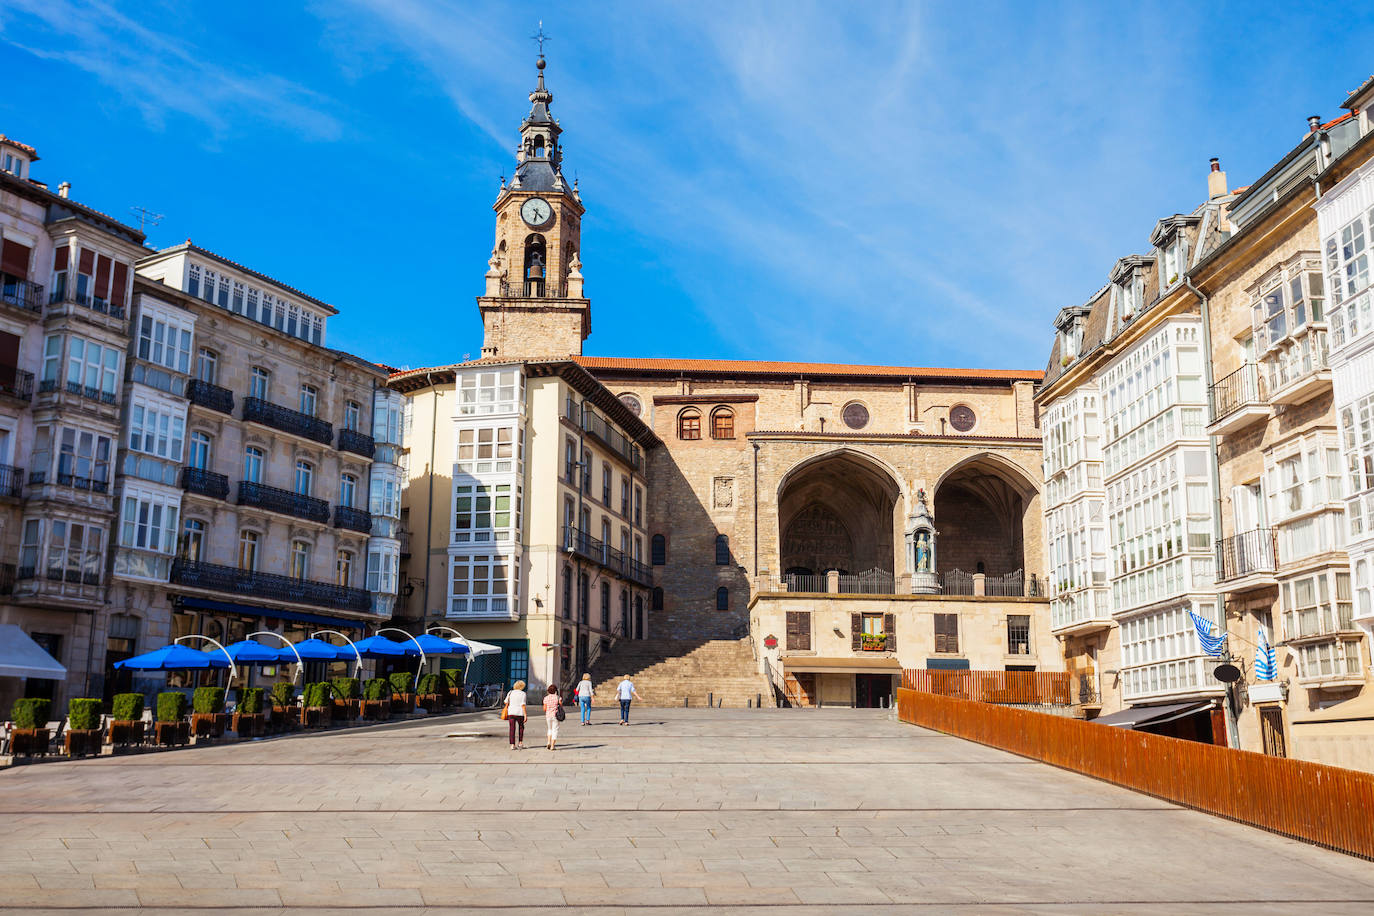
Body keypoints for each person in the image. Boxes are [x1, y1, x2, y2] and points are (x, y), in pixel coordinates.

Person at [504, 679, 527, 749]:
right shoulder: (523, 694)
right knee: (521, 727)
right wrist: (525, 714)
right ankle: (520, 742)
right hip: (520, 713)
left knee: (512, 729)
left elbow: (505, 702)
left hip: (511, 712)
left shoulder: (510, 692)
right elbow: (523, 705)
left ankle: (512, 744)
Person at [543, 684, 562, 751]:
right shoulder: (558, 698)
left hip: (548, 715)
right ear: (555, 691)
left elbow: (544, 708)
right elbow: (561, 706)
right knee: (555, 730)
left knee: (549, 729)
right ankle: (552, 746)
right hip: (555, 715)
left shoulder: (546, 698)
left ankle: (548, 742)